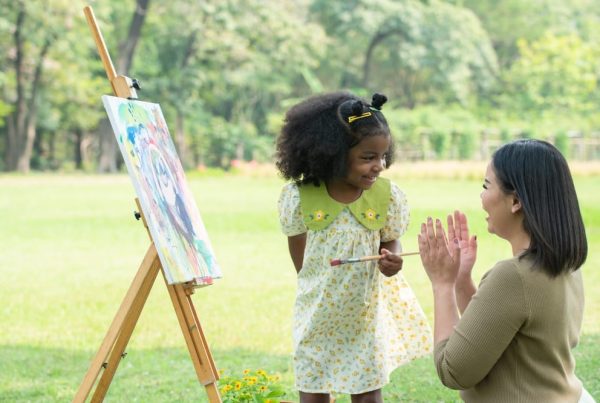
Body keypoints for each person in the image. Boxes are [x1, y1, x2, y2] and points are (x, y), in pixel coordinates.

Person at [275, 91, 432, 403]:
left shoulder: (387, 197)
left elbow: (390, 239)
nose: (379, 166)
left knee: (367, 393)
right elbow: (302, 262)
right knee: (313, 390)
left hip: (364, 318)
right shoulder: (300, 197)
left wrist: (393, 258)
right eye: (368, 157)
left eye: (383, 156)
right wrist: (315, 282)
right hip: (316, 317)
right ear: (332, 153)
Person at [417, 139, 594, 402]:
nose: (481, 197)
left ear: (515, 201)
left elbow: (453, 370)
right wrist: (461, 281)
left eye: (486, 186)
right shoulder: (565, 263)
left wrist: (442, 284)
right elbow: (492, 330)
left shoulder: (513, 276)